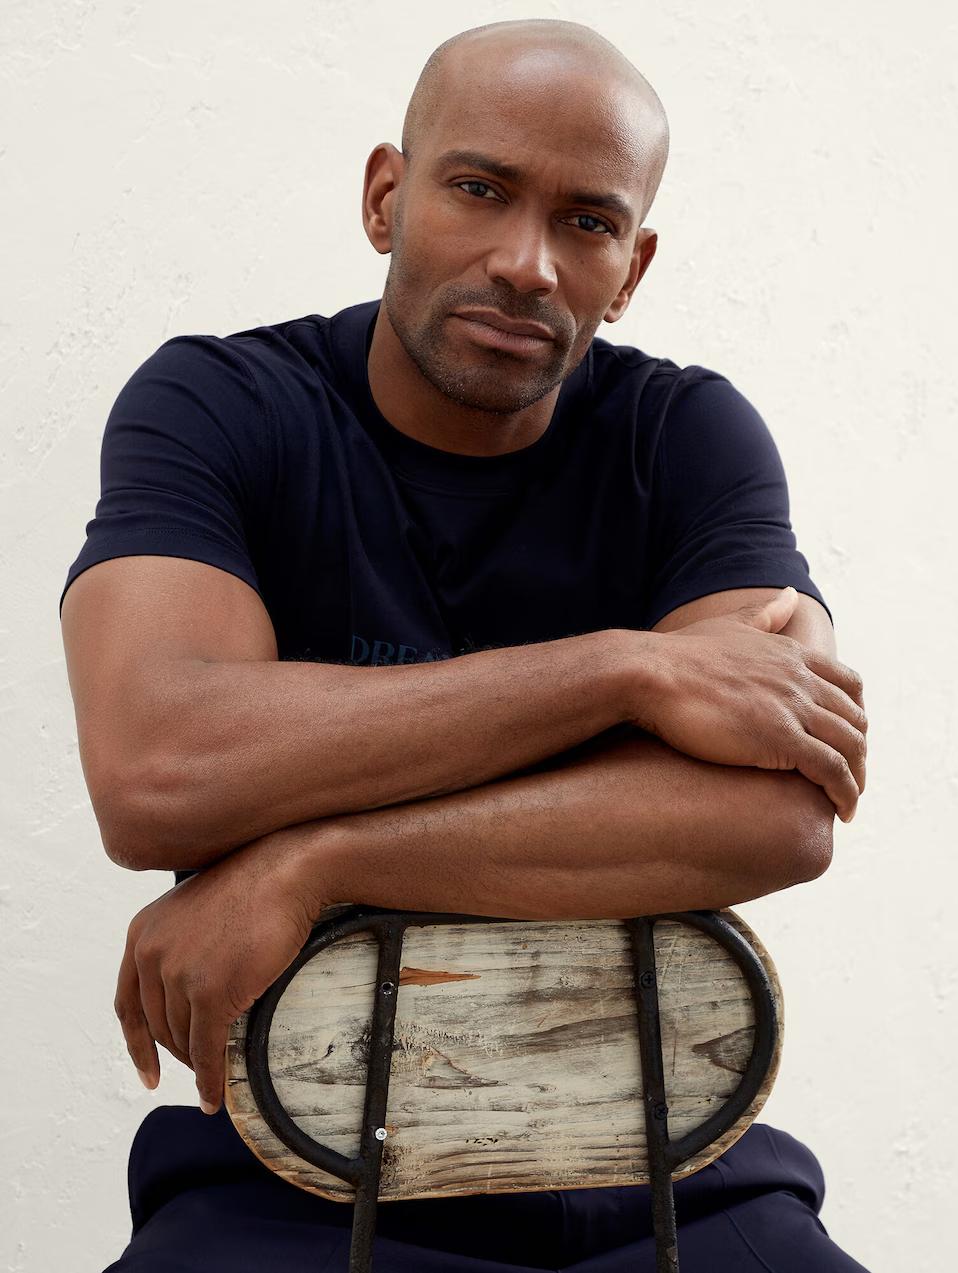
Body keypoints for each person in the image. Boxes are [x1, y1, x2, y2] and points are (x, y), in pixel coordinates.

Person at [59, 17, 870, 1272]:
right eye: (480, 189)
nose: (527, 263)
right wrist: (628, 668)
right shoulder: (219, 405)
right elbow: (159, 770)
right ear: (386, 198)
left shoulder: (686, 436)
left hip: (671, 1160)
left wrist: (318, 859)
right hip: (289, 1176)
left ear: (632, 267)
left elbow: (779, 814)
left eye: (587, 221)